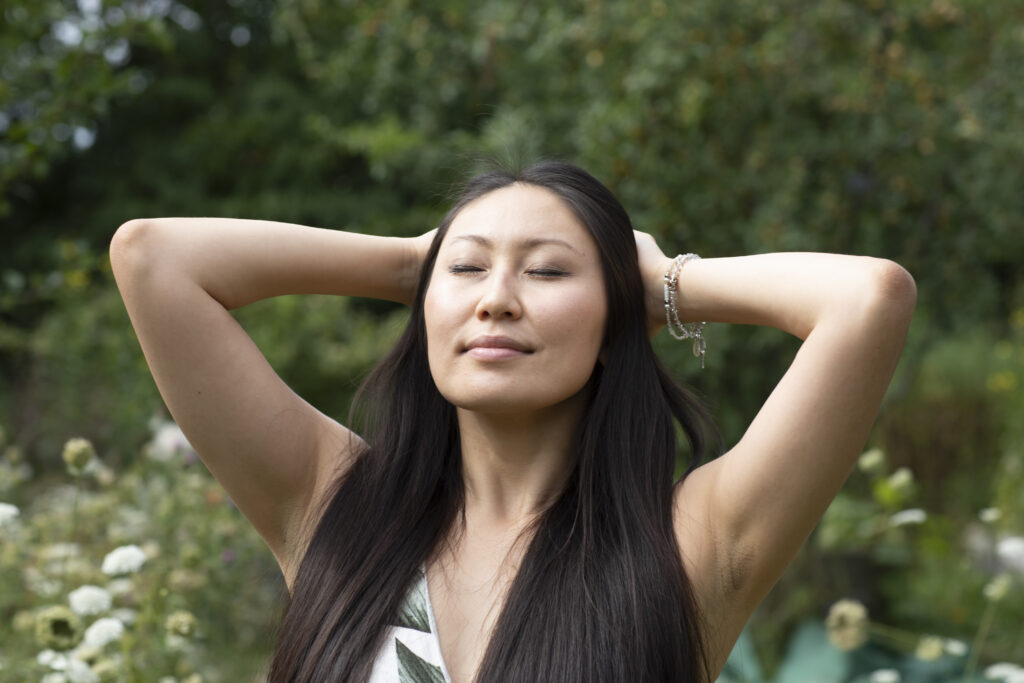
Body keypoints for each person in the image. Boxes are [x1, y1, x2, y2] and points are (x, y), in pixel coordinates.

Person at [109, 161, 916, 683]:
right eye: (467, 269)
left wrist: (665, 284)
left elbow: (867, 298)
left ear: (614, 318)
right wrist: (410, 264)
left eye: (548, 270)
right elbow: (153, 258)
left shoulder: (692, 544)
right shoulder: (336, 507)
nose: (495, 296)